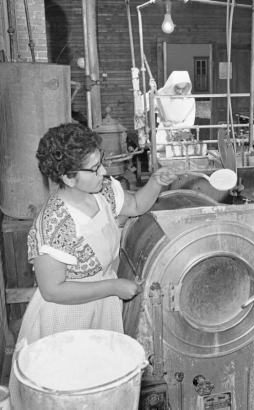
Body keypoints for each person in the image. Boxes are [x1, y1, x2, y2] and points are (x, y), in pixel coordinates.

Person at [9, 123, 177, 410]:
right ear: (67, 177)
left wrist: (157, 182)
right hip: (66, 317)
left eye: (100, 162)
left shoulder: (103, 192)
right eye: (94, 168)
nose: (103, 172)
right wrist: (113, 286)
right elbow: (53, 291)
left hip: (101, 306)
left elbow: (135, 204)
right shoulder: (55, 223)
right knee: (69, 392)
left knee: (102, 391)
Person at [153, 71, 196, 150]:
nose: (180, 91)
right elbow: (144, 104)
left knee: (180, 156)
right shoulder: (161, 94)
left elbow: (190, 122)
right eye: (178, 88)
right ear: (172, 85)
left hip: (182, 133)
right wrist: (151, 92)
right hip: (163, 133)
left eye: (183, 89)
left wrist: (173, 126)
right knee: (161, 155)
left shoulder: (189, 99)